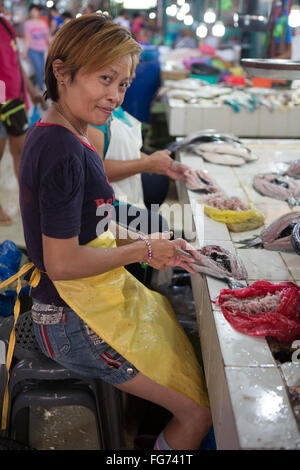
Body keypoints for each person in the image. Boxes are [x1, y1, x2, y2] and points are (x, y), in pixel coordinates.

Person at [18, 15, 211, 450]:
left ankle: (146, 427)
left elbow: (97, 216)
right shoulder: (63, 150)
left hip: (85, 303)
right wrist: (142, 248)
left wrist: (166, 234)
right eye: (105, 78)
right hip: (70, 321)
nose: (115, 95)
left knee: (178, 341)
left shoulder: (71, 131)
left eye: (123, 83)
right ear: (62, 72)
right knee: (199, 412)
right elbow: (63, 263)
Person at [87, 106, 187, 285]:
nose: (116, 95)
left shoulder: (115, 109)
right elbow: (97, 170)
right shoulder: (93, 118)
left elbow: (125, 151)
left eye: (125, 84)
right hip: (104, 198)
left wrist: (163, 165)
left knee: (157, 185)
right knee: (153, 225)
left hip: (125, 190)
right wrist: (147, 164)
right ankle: (137, 285)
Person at [0, 13, 43, 225]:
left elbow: (17, 63)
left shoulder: (6, 25)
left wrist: (30, 89)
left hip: (15, 101)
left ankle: (29, 203)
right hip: (2, 101)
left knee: (22, 153)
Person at [23, 4, 50, 92]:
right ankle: (41, 91)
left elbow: (48, 37)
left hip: (42, 50)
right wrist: (25, 51)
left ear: (39, 12)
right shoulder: (28, 24)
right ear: (30, 12)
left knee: (42, 70)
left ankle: (33, 86)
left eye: (35, 11)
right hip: (32, 49)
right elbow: (27, 39)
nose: (33, 12)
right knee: (38, 69)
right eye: (32, 11)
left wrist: (53, 47)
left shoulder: (43, 23)